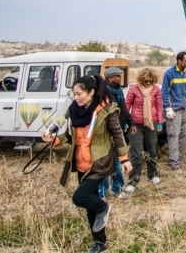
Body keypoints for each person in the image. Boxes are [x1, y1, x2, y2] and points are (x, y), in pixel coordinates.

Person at [42, 74, 130, 253]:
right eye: (74, 94)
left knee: (80, 198)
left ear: (91, 92)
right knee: (91, 205)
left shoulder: (106, 110)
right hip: (81, 163)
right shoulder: (75, 110)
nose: (76, 98)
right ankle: (100, 243)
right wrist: (53, 140)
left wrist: (124, 158)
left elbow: (117, 134)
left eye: (79, 93)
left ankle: (104, 207)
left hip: (98, 163)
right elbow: (69, 136)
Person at [124, 67, 165, 192]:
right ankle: (133, 179)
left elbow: (158, 106)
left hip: (151, 123)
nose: (148, 83)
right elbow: (127, 106)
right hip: (135, 124)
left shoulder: (156, 89)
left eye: (151, 81)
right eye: (146, 81)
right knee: (136, 153)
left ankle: (152, 174)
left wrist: (160, 122)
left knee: (152, 150)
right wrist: (126, 122)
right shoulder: (133, 89)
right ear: (141, 79)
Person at [98, 67, 136, 199]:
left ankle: (117, 189)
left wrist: (131, 123)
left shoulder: (119, 91)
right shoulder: (104, 93)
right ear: (109, 78)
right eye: (117, 76)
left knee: (118, 162)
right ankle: (101, 193)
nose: (120, 78)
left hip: (118, 132)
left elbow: (124, 109)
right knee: (104, 164)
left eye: (120, 76)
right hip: (107, 134)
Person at [161, 51, 186, 173]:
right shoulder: (169, 74)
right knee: (173, 135)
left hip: (183, 108)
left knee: (183, 135)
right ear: (179, 61)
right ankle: (174, 164)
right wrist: (167, 107)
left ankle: (179, 160)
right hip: (173, 110)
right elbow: (164, 92)